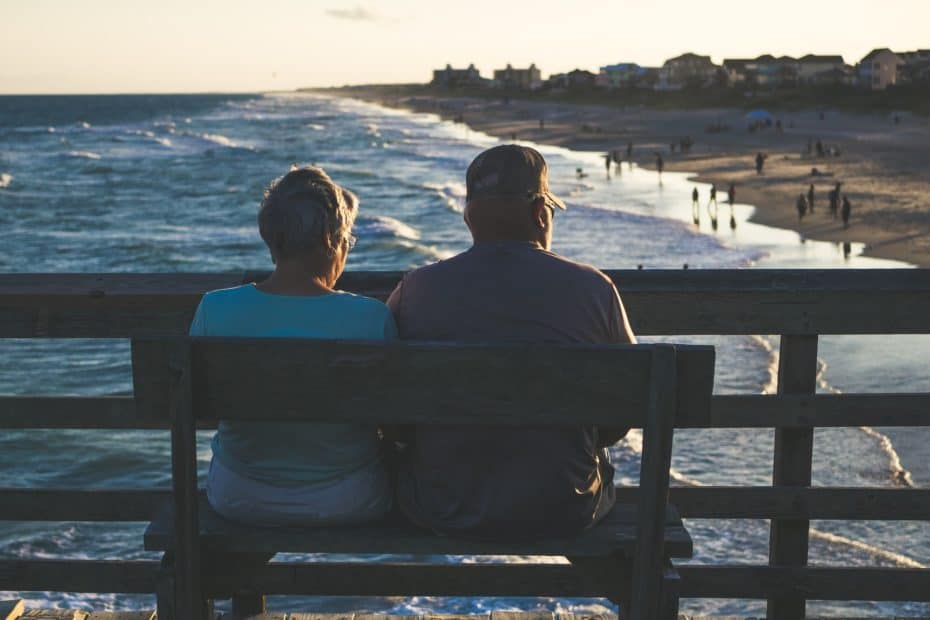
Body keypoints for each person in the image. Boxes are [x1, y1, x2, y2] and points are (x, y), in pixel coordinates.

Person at [387, 144, 635, 541]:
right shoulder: (595, 289)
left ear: (469, 219)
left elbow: (390, 412)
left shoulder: (414, 290)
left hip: (444, 506)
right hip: (564, 507)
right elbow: (627, 406)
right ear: (540, 213)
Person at [190, 166, 395, 526]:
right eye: (347, 240)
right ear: (331, 240)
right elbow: (395, 421)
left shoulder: (214, 308)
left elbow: (202, 411)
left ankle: (241, 583)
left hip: (238, 497)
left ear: (272, 240)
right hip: (348, 499)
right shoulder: (371, 318)